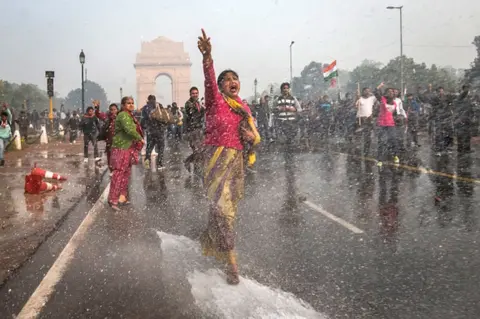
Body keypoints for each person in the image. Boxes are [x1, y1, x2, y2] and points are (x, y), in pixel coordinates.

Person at [197, 29, 260, 285]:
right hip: (216, 159)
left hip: (236, 163)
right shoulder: (216, 101)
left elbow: (255, 138)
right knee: (222, 210)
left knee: (227, 211)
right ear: (221, 86)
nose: (233, 81)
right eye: (228, 79)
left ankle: (216, 245)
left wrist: (250, 137)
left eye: (236, 78)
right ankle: (232, 264)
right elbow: (209, 81)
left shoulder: (243, 108)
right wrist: (208, 57)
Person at [108, 97, 144, 210]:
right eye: (128, 103)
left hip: (128, 147)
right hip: (121, 148)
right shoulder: (123, 115)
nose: (131, 105)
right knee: (119, 174)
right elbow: (129, 129)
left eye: (132, 103)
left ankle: (122, 197)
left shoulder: (129, 115)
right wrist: (140, 138)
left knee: (125, 174)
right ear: (123, 105)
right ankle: (113, 199)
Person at [184, 86, 206, 174]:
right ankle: (197, 169)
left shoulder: (198, 103)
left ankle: (188, 161)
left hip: (200, 129)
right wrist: (201, 107)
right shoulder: (188, 103)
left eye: (196, 93)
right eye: (193, 93)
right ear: (190, 94)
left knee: (201, 150)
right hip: (192, 130)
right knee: (197, 150)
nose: (195, 95)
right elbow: (192, 112)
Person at [95, 101, 119, 171]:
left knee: (118, 156)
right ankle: (111, 170)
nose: (113, 111)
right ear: (109, 110)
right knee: (110, 155)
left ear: (117, 110)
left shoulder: (121, 117)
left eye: (115, 109)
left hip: (119, 141)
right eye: (111, 109)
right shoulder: (107, 117)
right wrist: (97, 108)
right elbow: (98, 114)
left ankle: (118, 170)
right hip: (109, 140)